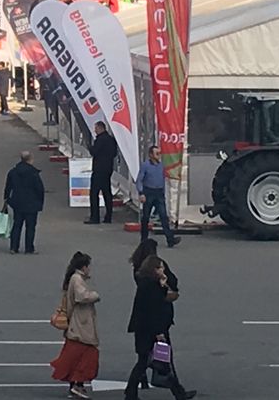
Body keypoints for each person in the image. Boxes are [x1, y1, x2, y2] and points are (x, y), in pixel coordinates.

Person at [125, 256, 195, 400]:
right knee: (160, 362)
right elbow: (154, 310)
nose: (163, 270)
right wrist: (159, 333)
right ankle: (178, 393)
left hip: (147, 331)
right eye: (160, 268)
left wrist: (163, 284)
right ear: (153, 269)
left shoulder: (149, 284)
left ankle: (131, 393)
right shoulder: (151, 286)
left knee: (148, 362)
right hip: (153, 332)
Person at [50, 252, 100, 399]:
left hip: (77, 323)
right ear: (84, 267)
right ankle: (78, 384)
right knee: (86, 354)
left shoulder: (74, 278)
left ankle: (75, 385)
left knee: (75, 355)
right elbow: (82, 296)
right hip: (81, 323)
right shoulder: (77, 279)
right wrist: (95, 295)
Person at [137, 145, 180, 247]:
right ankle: (144, 239)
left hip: (159, 193)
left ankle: (170, 239)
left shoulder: (161, 165)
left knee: (163, 216)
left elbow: (163, 179)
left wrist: (163, 192)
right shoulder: (145, 165)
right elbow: (139, 180)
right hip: (149, 192)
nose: (159, 156)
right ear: (151, 155)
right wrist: (141, 193)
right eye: (157, 153)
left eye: (159, 153)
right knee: (146, 217)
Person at [3, 150, 44, 254]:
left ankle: (13, 247)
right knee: (30, 227)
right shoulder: (33, 173)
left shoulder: (13, 172)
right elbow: (39, 189)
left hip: (17, 202)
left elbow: (8, 187)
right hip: (32, 203)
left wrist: (7, 199)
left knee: (17, 225)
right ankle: (29, 247)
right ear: (30, 159)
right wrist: (40, 202)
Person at [86, 122, 119, 225]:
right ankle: (108, 216)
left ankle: (95, 217)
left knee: (94, 193)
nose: (95, 131)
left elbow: (94, 152)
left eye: (96, 128)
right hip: (108, 169)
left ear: (100, 128)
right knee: (107, 193)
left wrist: (90, 147)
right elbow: (114, 153)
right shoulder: (111, 140)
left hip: (99, 169)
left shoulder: (100, 140)